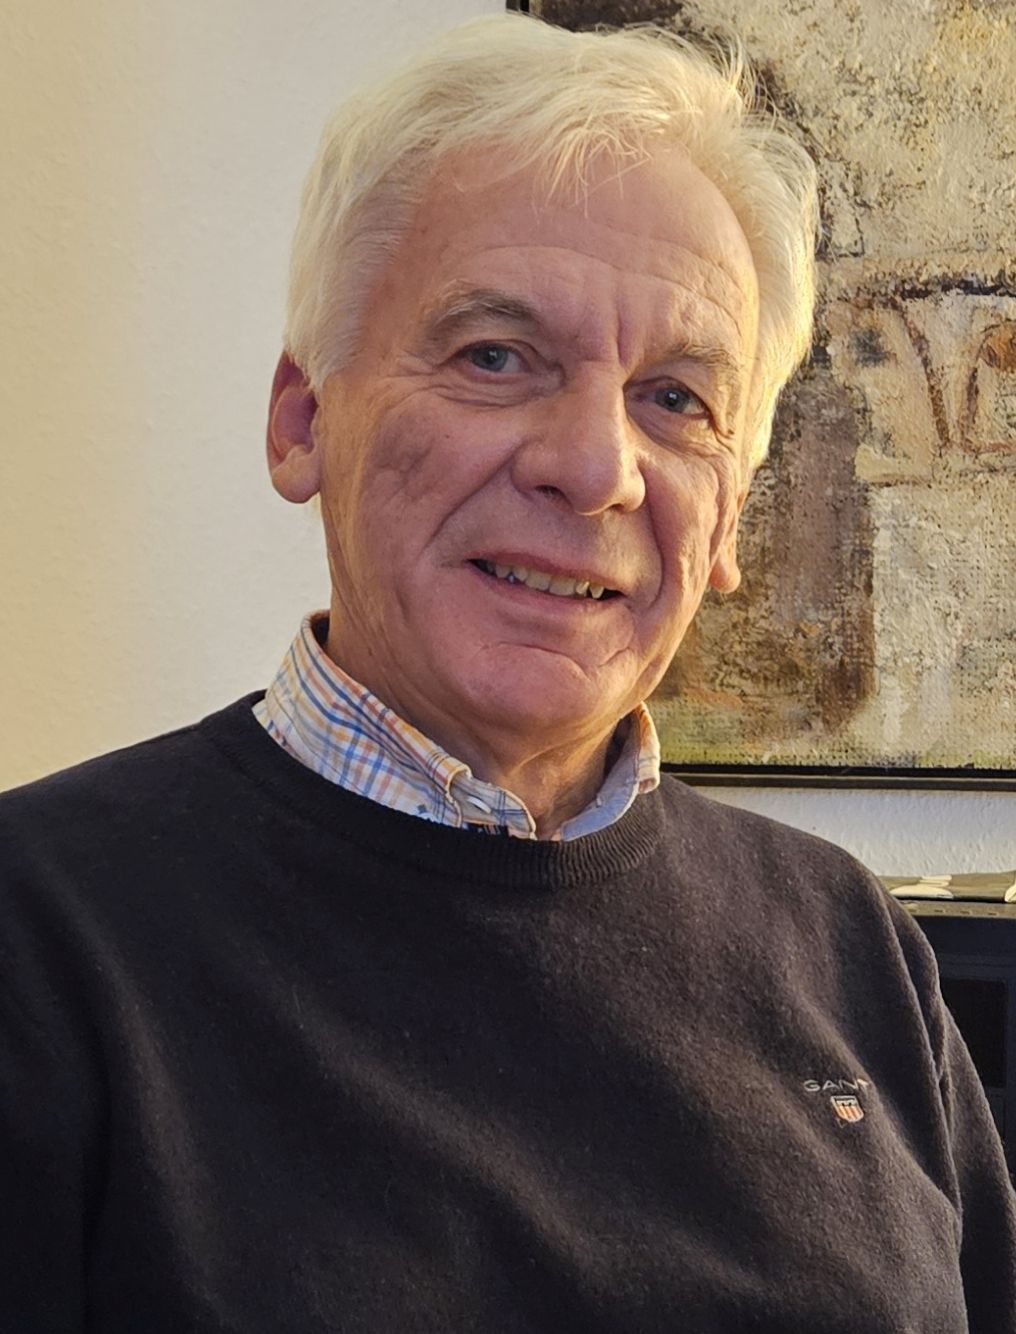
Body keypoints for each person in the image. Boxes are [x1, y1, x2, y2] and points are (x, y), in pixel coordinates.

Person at [2, 13, 1014, 1332]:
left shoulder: (852, 947)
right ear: (303, 420)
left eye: (677, 399)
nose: (594, 468)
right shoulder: (41, 936)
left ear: (731, 516)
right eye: (495, 356)